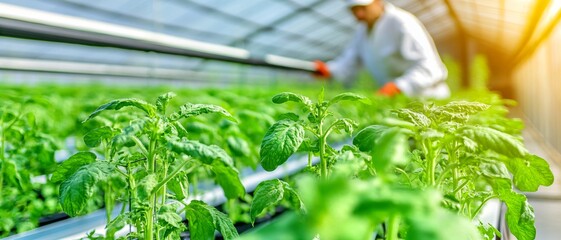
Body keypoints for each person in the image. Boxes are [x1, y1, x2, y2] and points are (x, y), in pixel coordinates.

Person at [314, 0, 450, 98]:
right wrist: (329, 70)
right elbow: (348, 63)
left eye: (363, 8)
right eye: (354, 10)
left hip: (428, 99)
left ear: (377, 2)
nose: (359, 15)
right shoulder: (362, 31)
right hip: (398, 103)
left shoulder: (401, 22)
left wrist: (400, 86)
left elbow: (430, 68)